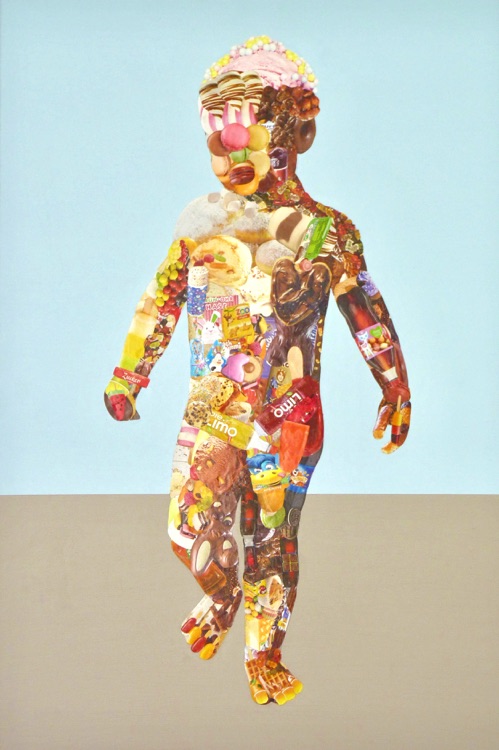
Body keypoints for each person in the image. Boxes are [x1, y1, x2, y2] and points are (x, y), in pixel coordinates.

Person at [104, 36, 411, 706]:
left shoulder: (327, 231)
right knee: (188, 531)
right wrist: (130, 374)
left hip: (288, 416)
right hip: (212, 408)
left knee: (272, 539)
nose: (231, 154)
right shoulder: (199, 225)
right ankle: (221, 597)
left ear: (298, 131)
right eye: (217, 140)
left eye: (250, 133)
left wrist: (394, 383)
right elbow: (160, 300)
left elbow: (363, 306)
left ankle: (264, 652)